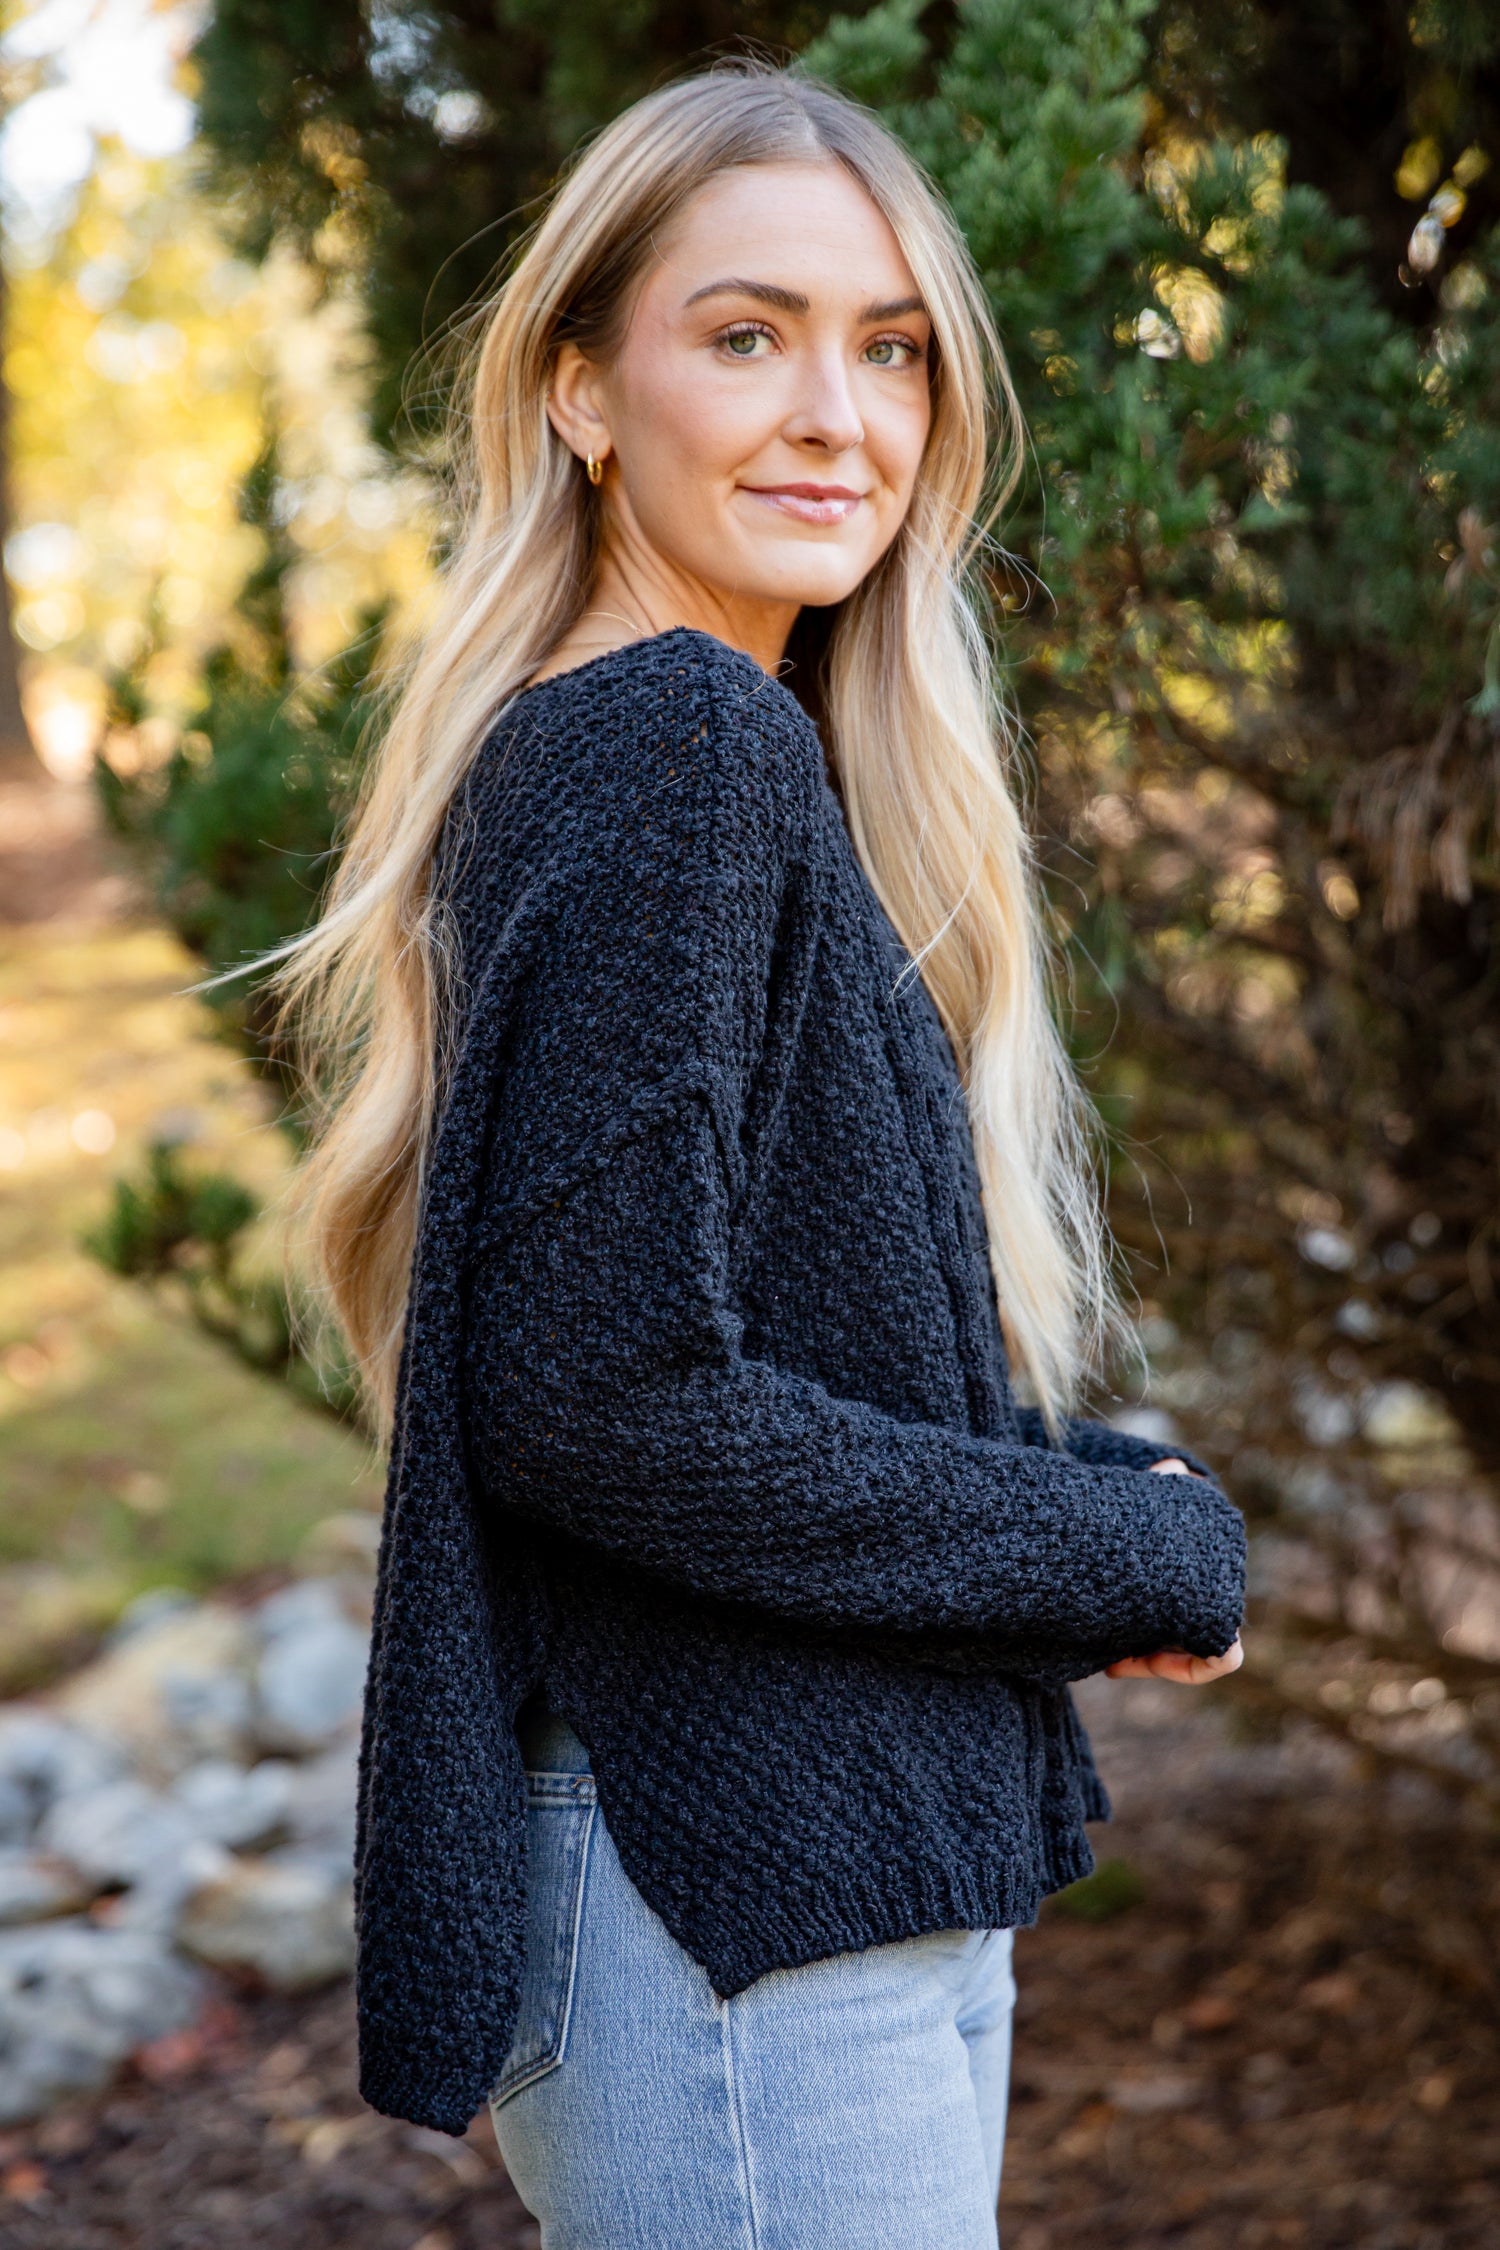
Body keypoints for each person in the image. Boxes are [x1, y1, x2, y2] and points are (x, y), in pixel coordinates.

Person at [272, 61, 1246, 2250]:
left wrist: (1091, 1496)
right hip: (732, 1909)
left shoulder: (701, 741)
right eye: (746, 334)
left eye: (888, 348)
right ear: (583, 396)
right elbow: (606, 1404)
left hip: (785, 1887)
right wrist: (1120, 1563)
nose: (838, 413)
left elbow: (722, 1342)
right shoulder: (675, 737)